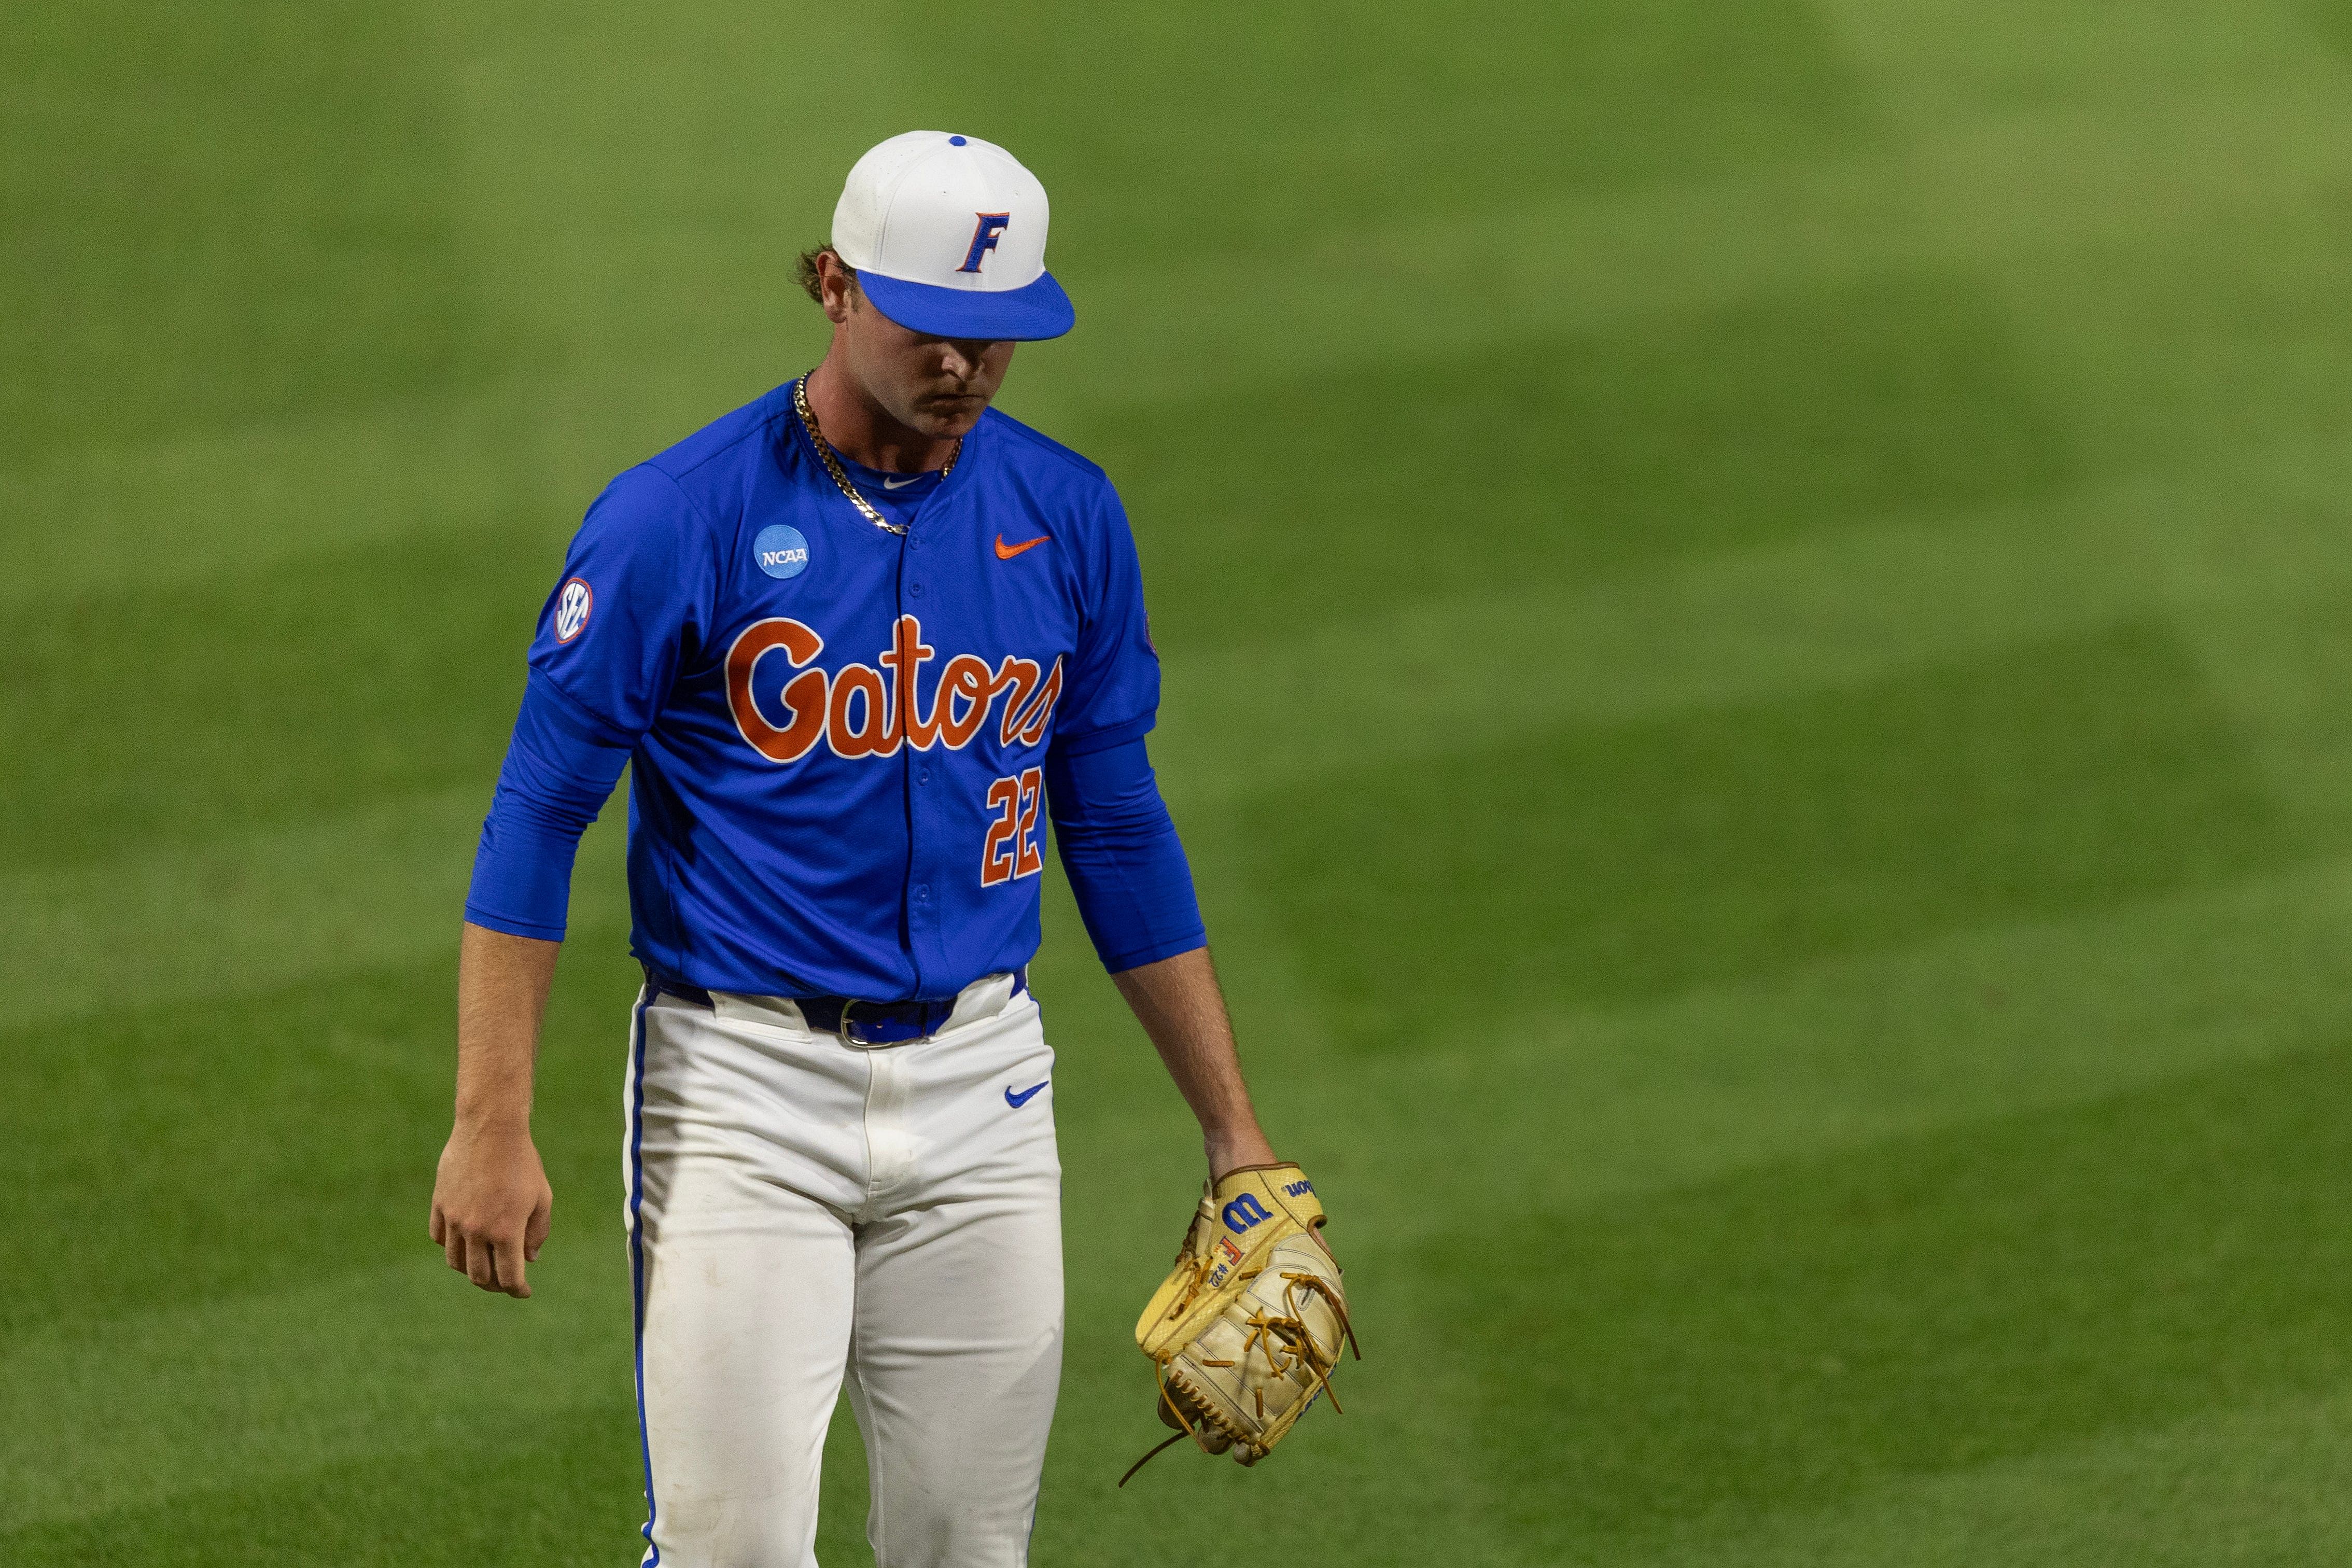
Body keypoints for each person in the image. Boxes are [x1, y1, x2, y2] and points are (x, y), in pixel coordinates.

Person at [427, 129, 1289, 1567]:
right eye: (931, 327)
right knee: (734, 1553)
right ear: (833, 285)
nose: (966, 363)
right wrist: (490, 1116)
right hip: (743, 1090)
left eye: (998, 335)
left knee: (969, 1550)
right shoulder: (677, 520)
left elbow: (1115, 823)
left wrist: (1233, 1130)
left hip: (984, 1094)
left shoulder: (1065, 515)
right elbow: (539, 813)